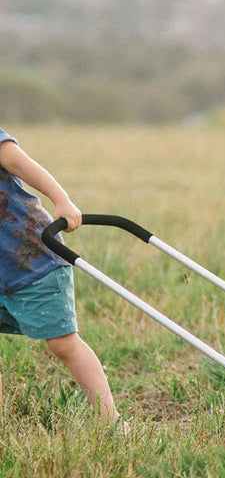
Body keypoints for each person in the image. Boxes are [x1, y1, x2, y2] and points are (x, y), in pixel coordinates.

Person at [0, 127, 120, 422]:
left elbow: (18, 162)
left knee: (62, 343)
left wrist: (61, 199)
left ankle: (110, 419)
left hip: (32, 259)